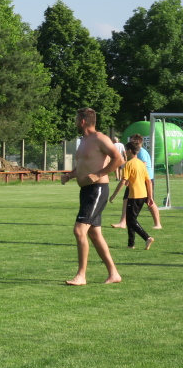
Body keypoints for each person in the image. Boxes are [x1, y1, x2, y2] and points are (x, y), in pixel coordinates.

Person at [60, 107, 122, 285]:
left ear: (82, 121)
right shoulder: (84, 141)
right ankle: (114, 274)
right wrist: (70, 175)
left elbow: (119, 159)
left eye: (76, 119)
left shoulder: (100, 138)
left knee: (79, 230)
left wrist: (98, 174)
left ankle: (81, 275)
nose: (75, 122)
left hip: (97, 190)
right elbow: (83, 164)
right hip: (87, 191)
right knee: (94, 234)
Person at [109, 140, 155, 250]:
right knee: (131, 219)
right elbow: (148, 181)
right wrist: (150, 197)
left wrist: (114, 195)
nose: (125, 152)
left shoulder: (128, 164)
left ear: (130, 151)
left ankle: (147, 238)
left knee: (131, 220)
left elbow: (123, 181)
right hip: (143, 195)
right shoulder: (141, 163)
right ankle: (131, 244)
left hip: (134, 195)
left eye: (126, 150)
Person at [112, 134, 162, 230]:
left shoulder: (142, 152)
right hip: (135, 179)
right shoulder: (135, 154)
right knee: (126, 199)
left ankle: (158, 223)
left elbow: (142, 166)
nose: (130, 143)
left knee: (149, 201)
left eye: (132, 141)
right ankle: (123, 222)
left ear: (137, 142)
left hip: (145, 180)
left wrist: (130, 177)